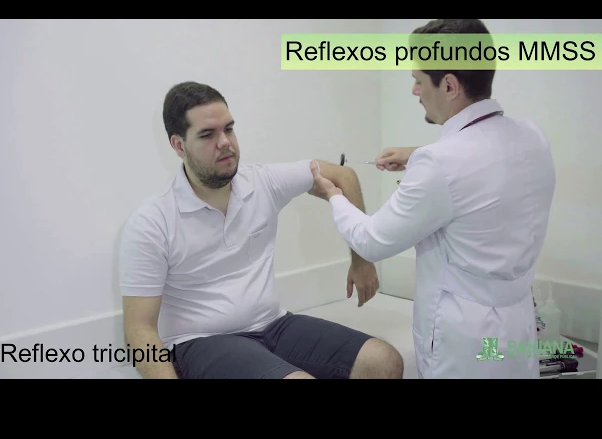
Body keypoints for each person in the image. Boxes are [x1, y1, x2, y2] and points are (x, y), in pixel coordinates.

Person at [309, 19, 556, 379]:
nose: (414, 90)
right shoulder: (532, 136)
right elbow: (484, 163)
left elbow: (371, 240)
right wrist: (417, 155)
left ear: (450, 85)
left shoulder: (441, 163)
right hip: (515, 328)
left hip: (466, 343)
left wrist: (334, 195)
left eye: (419, 80)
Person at [118, 81, 404, 379]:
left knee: (384, 361)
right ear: (179, 145)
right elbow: (138, 330)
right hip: (200, 342)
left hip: (273, 325)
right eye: (208, 134)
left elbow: (343, 175)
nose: (225, 142)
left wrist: (362, 260)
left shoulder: (262, 183)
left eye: (229, 129)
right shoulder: (153, 221)